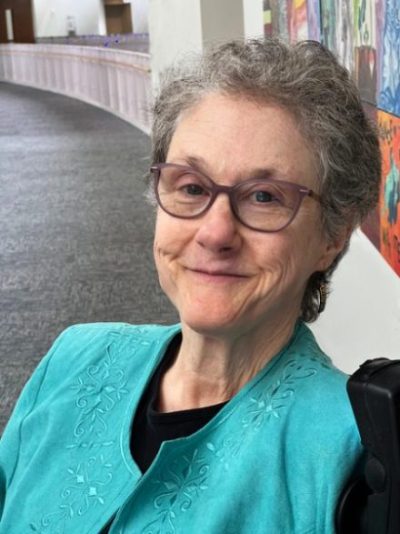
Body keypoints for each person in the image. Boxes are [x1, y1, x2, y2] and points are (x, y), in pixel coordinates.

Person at [0, 38, 381, 533]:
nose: (216, 232)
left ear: (332, 235)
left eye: (265, 196)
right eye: (192, 187)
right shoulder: (73, 359)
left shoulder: (353, 449)